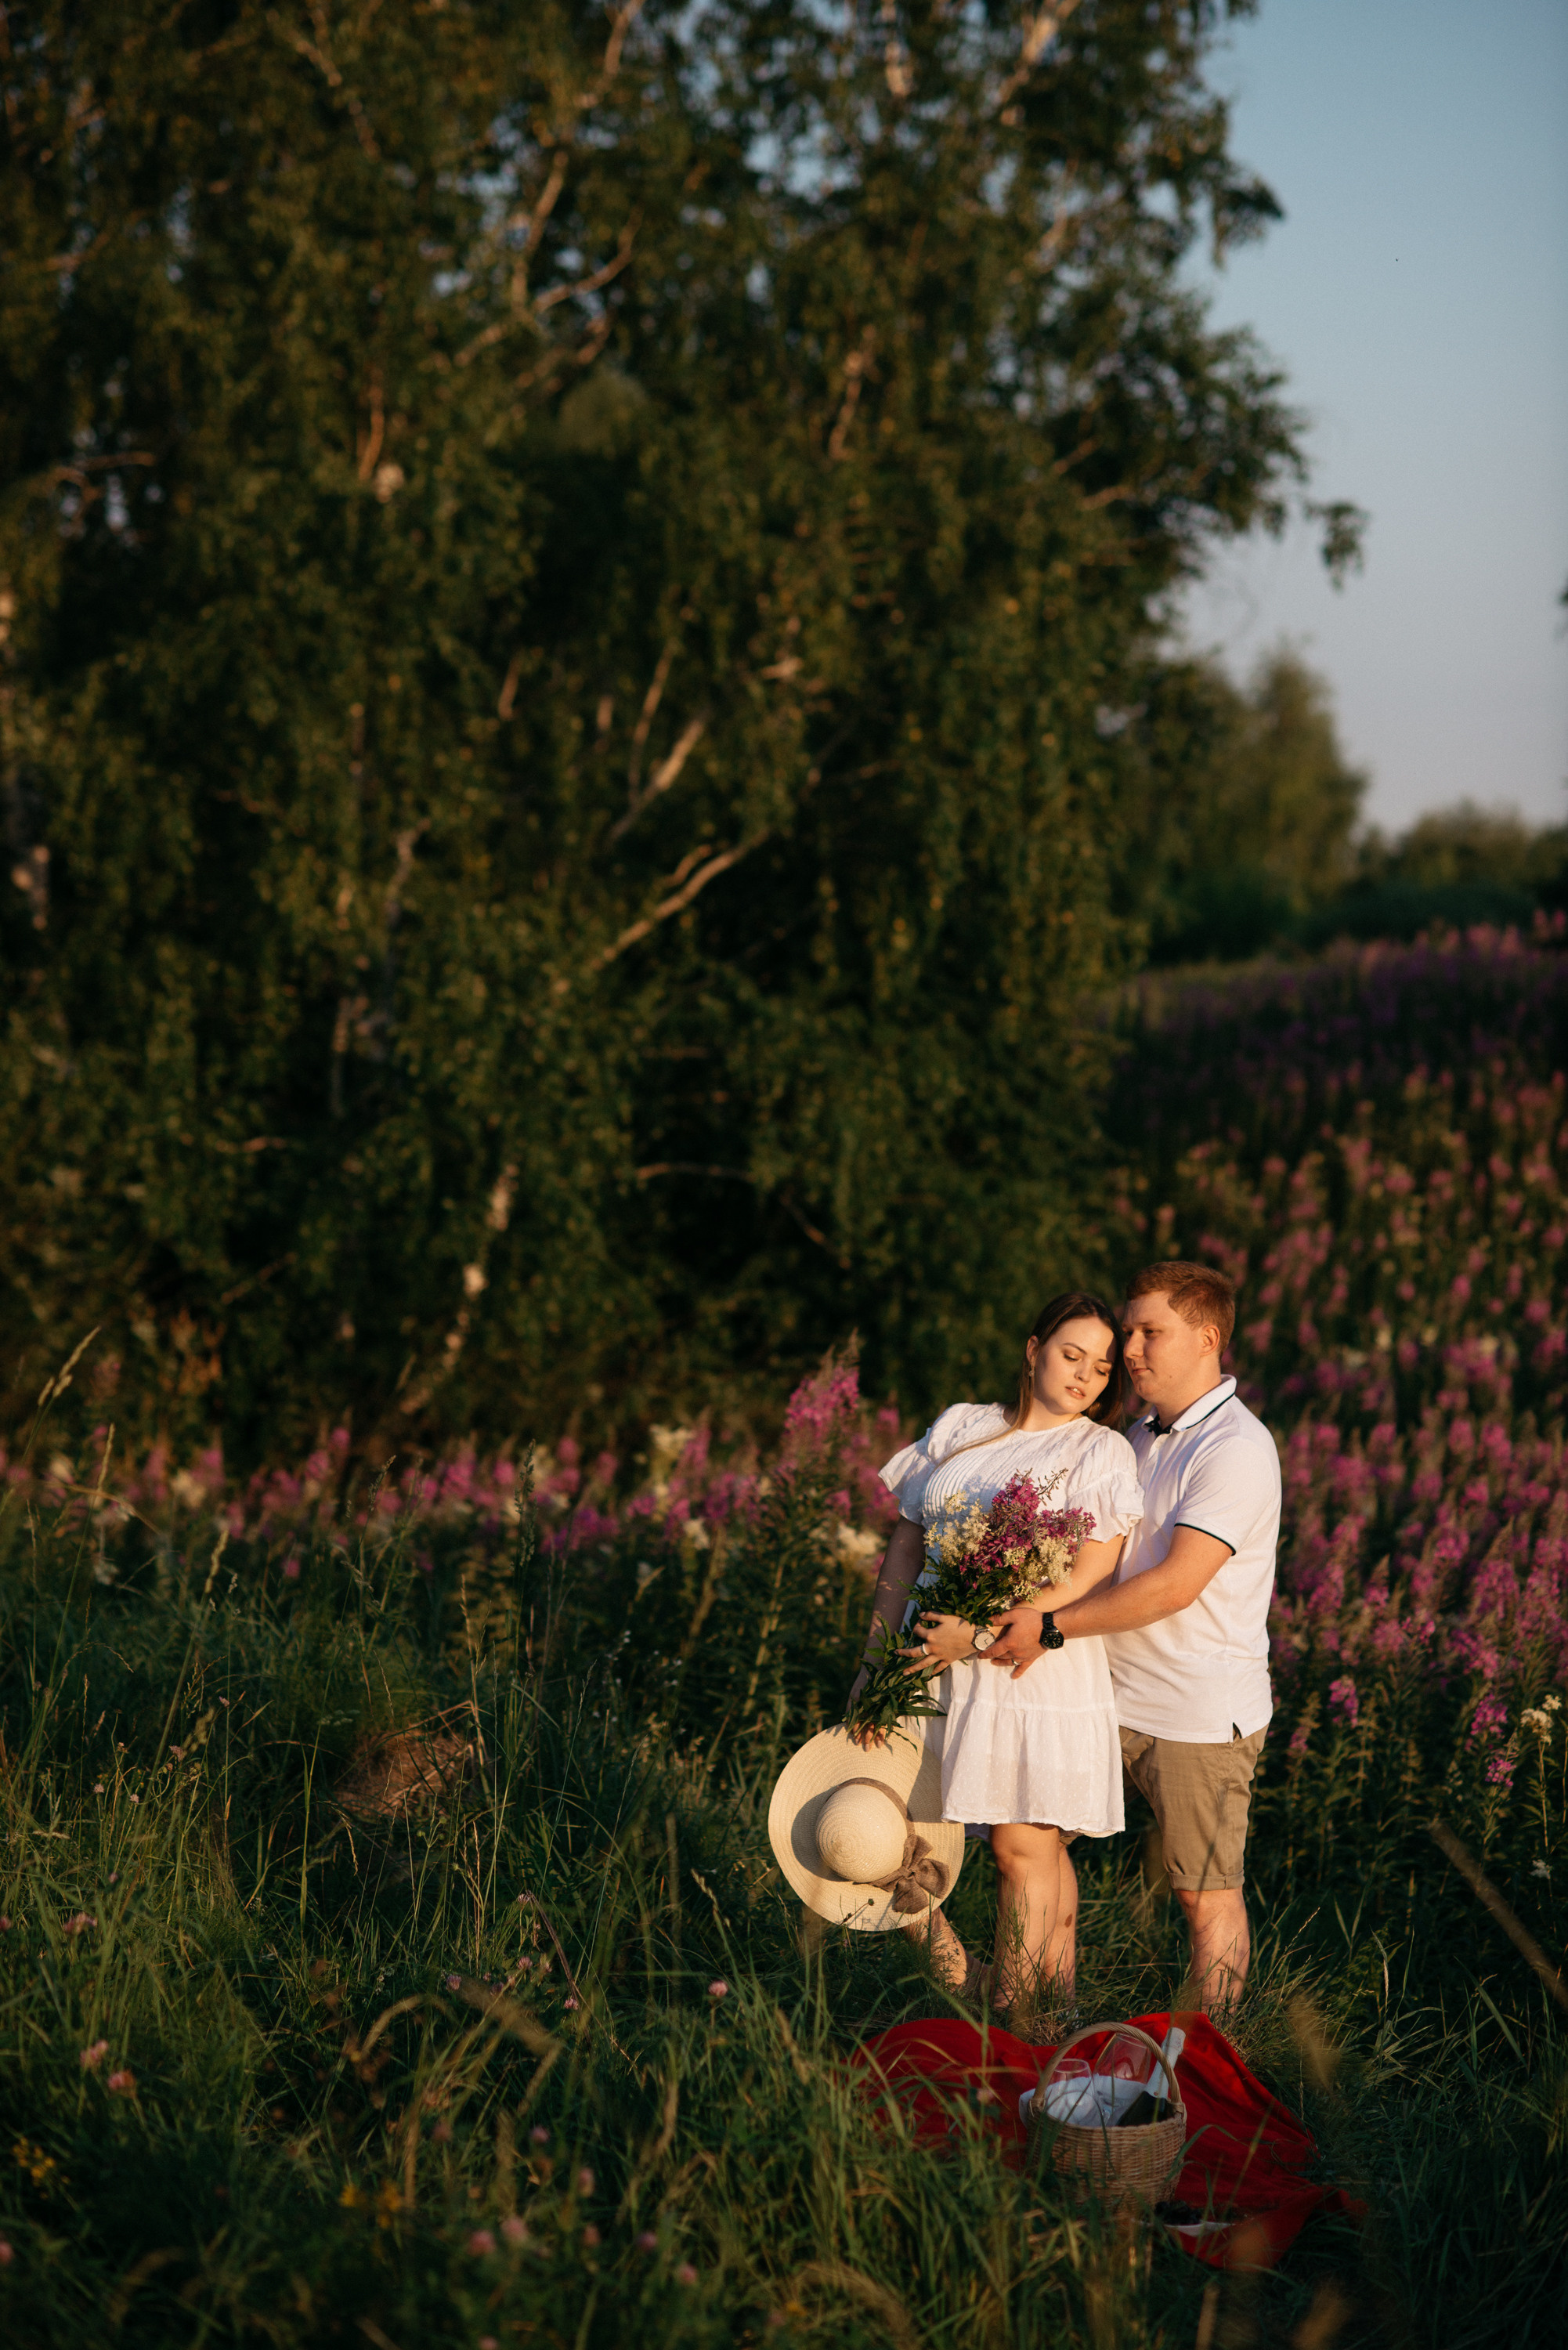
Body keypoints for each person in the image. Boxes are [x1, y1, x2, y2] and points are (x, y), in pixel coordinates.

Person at [984, 1263, 1281, 2014]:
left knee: (1202, 1897)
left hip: (1198, 1712)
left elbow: (1176, 1583)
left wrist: (1048, 1627)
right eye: (1131, 1331)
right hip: (1102, 1693)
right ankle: (1047, 2011)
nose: (1132, 1347)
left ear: (1208, 1338)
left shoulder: (1237, 1448)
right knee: (1032, 1843)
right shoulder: (1137, 1437)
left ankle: (1208, 2064)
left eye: (1152, 1332)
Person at [848, 1292, 1144, 2019]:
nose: (1084, 1378)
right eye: (1071, 1355)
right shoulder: (964, 1426)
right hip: (927, 1664)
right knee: (895, 1829)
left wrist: (978, 1635)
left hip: (1026, 1666)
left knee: (1021, 1848)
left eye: (1102, 1369)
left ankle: (1030, 2020)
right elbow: (906, 1548)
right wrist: (873, 1665)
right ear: (1033, 1347)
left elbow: (1087, 1573)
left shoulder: (1097, 1450)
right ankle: (971, 1986)